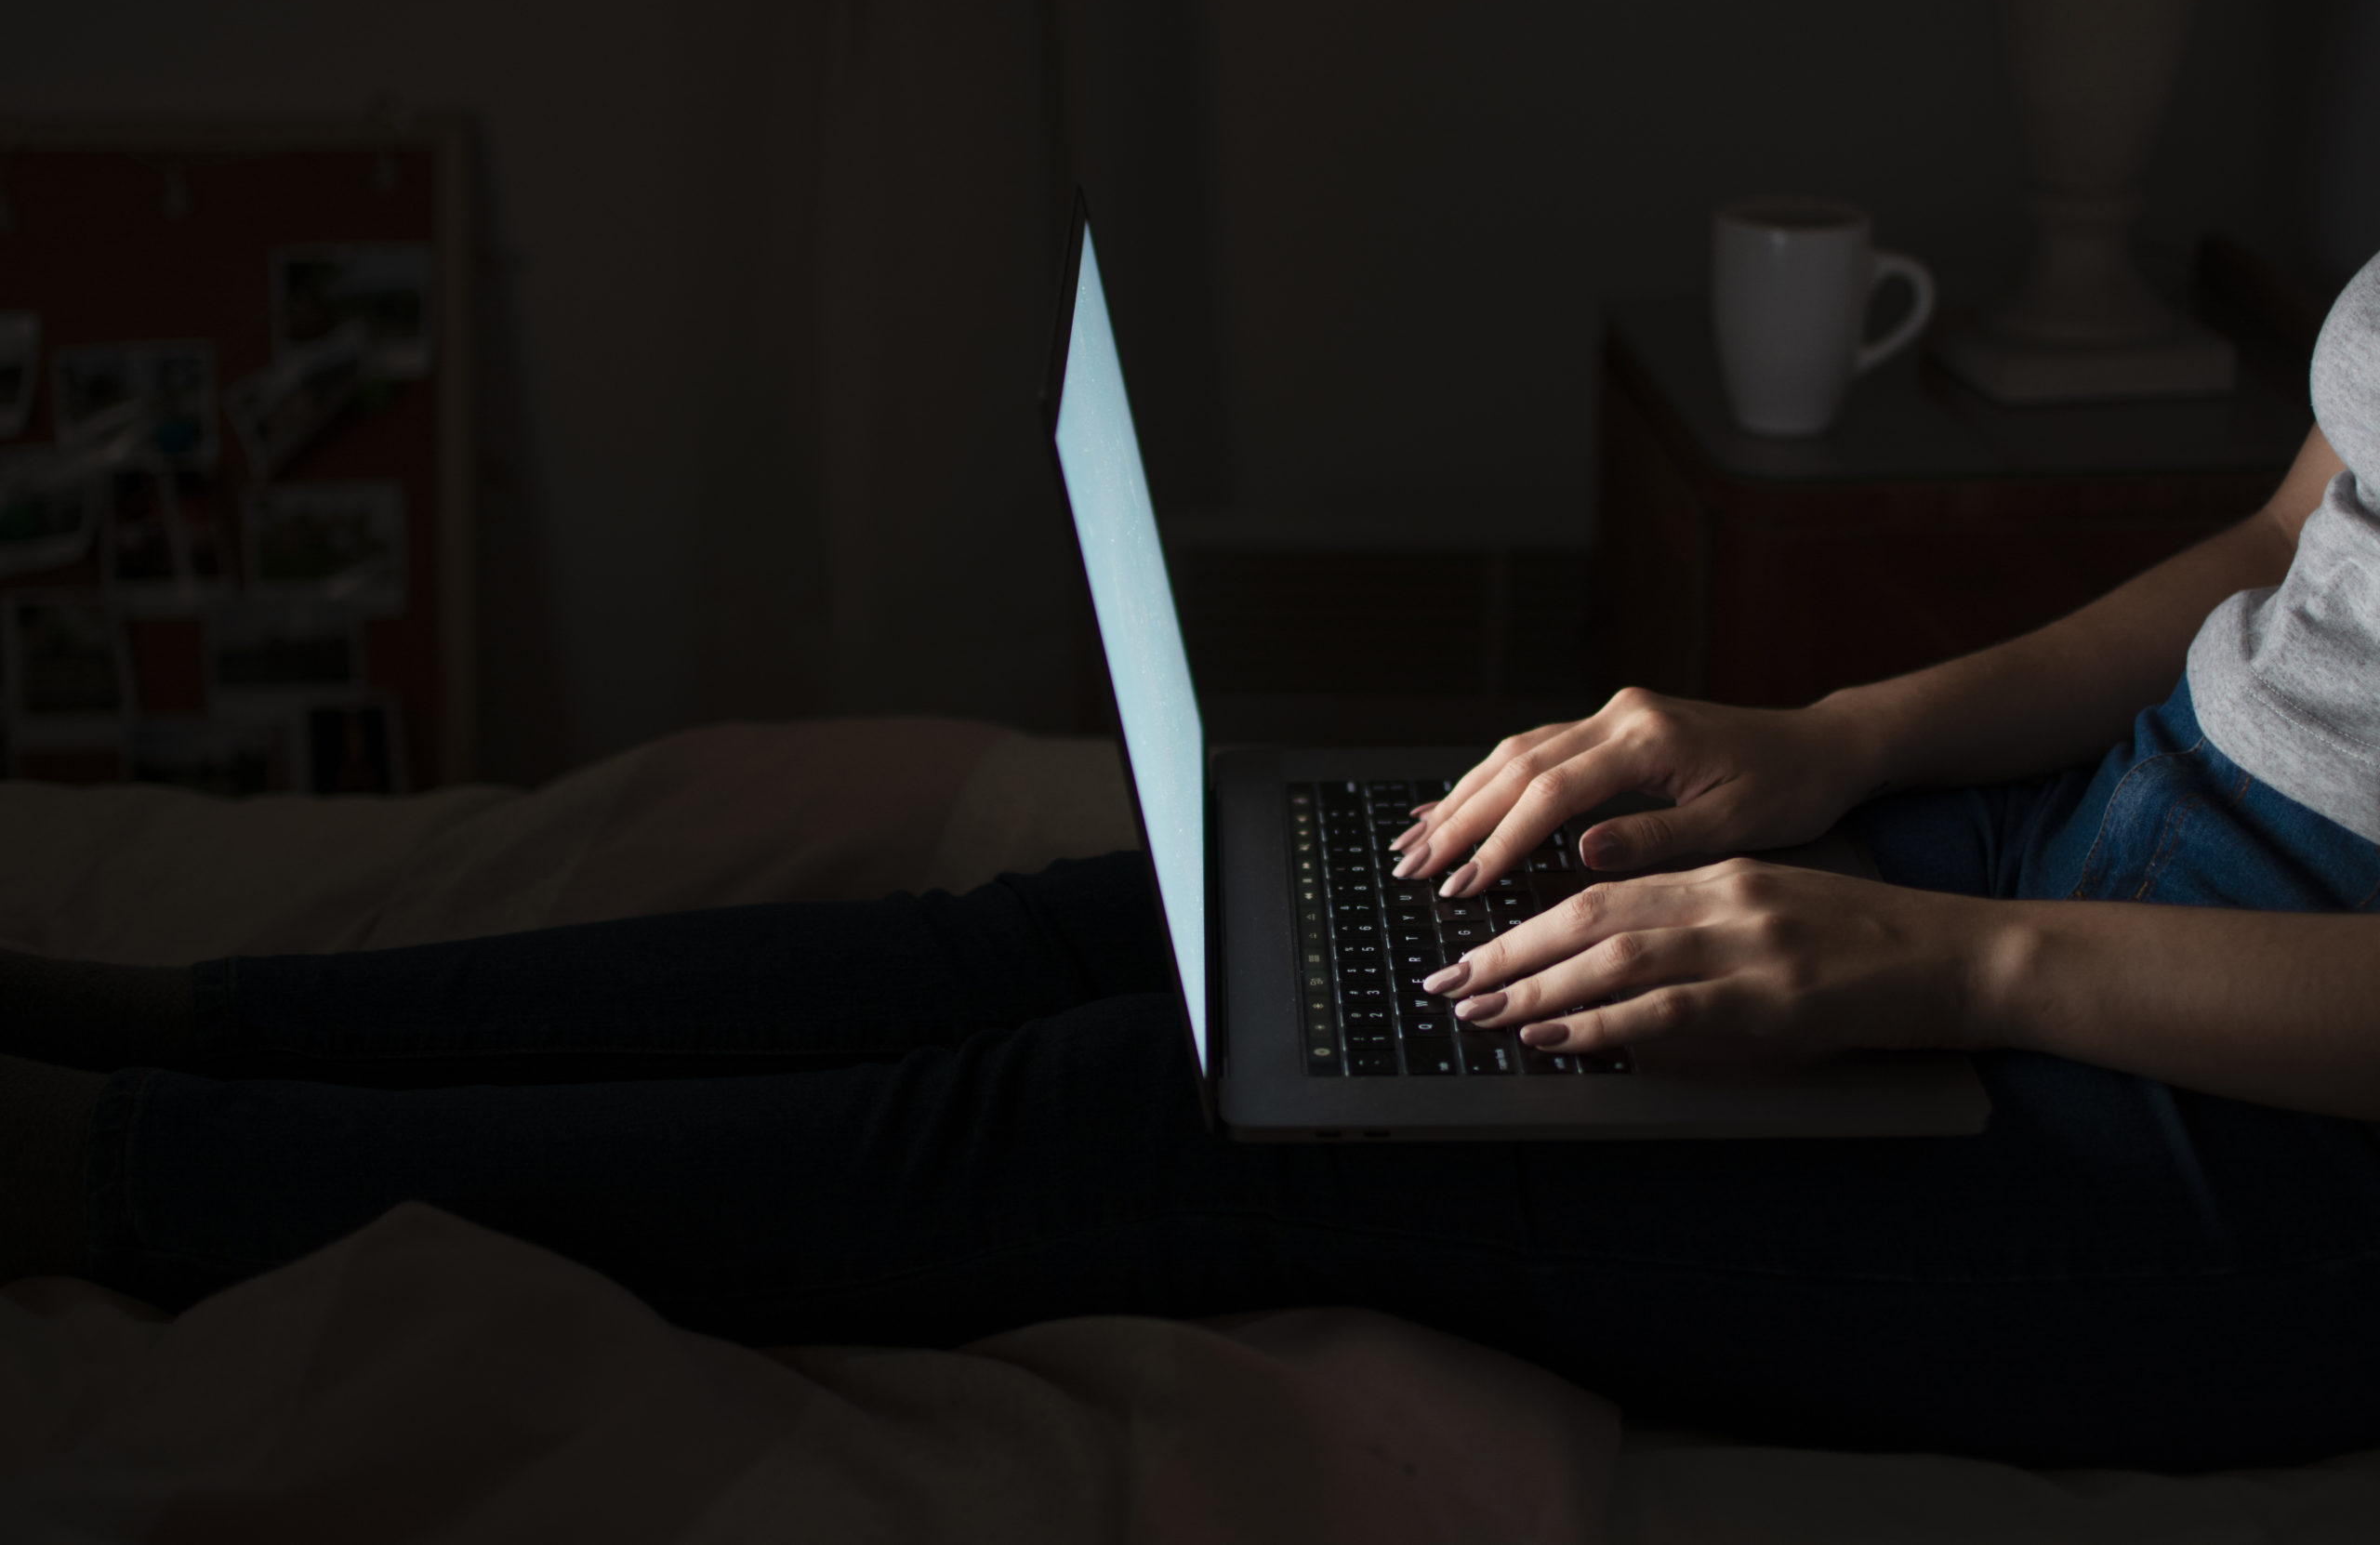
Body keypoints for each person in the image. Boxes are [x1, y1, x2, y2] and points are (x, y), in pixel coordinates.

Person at [6, 252, 2380, 1473]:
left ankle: (134, 1174)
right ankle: (208, 1021)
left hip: (2262, 1145)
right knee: (1118, 923)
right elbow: (2282, 540)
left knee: (1173, 1117)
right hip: (2077, 831)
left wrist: (1941, 968)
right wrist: (1826, 740)